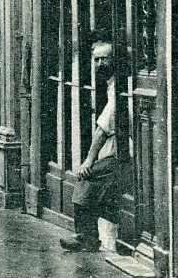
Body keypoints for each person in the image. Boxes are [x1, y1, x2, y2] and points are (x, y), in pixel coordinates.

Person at [61, 40, 127, 252]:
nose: (99, 64)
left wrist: (88, 160)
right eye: (96, 60)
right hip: (117, 153)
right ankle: (88, 236)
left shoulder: (119, 87)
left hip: (123, 155)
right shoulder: (111, 85)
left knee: (84, 178)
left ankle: (86, 238)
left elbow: (102, 129)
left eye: (104, 58)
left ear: (114, 59)